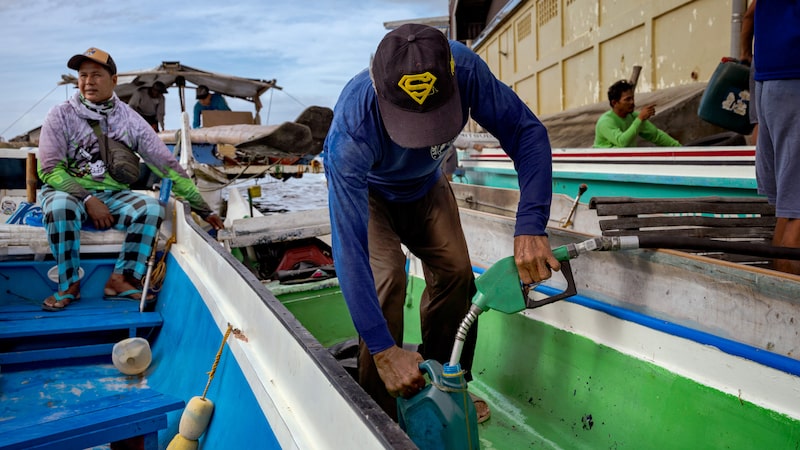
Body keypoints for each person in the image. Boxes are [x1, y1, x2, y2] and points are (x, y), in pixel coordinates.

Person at [323, 24, 559, 422]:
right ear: (379, 93)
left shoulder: (464, 68)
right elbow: (349, 251)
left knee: (456, 273)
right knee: (387, 281)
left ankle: (446, 387)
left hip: (427, 185)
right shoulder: (351, 129)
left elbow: (526, 133)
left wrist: (531, 223)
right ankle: (377, 412)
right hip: (371, 195)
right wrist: (383, 351)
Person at [37, 47, 225, 311]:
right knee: (60, 208)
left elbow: (167, 165)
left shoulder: (129, 119)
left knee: (151, 208)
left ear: (114, 80)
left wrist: (202, 207)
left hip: (113, 195)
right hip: (67, 191)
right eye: (82, 76)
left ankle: (121, 280)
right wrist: (88, 199)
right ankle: (69, 284)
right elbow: (49, 170)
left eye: (96, 75)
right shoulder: (60, 115)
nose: (88, 81)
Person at [753, 2, 800, 274]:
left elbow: (750, 14)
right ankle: (789, 312)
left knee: (788, 210)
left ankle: (775, 304)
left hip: (768, 78)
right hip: (794, 74)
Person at [593, 80, 681, 148]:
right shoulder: (605, 122)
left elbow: (656, 135)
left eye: (632, 98)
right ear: (614, 103)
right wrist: (640, 119)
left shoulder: (633, 116)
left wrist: (679, 148)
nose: (632, 102)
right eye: (627, 99)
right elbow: (622, 142)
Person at [739, 0, 758, 144]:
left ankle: (757, 164)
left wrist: (745, 53)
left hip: (762, 64)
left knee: (760, 122)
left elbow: (748, 17)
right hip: (791, 69)